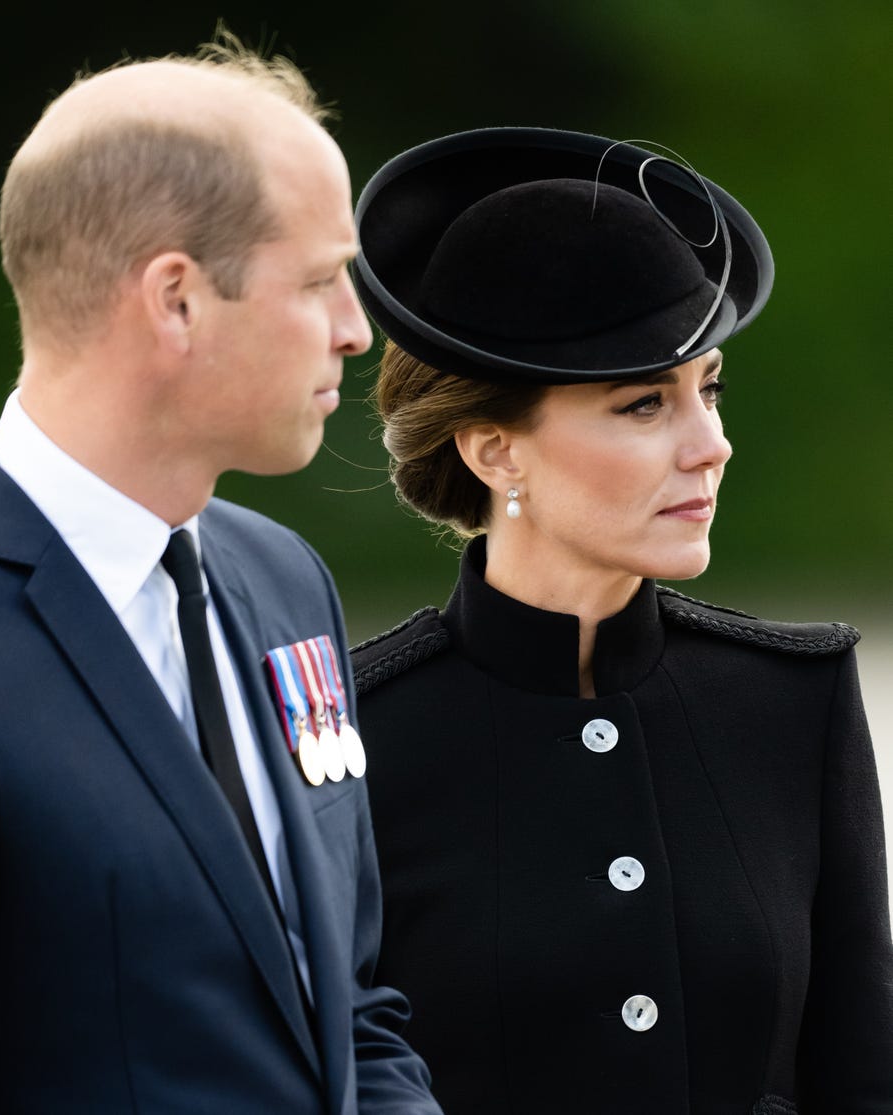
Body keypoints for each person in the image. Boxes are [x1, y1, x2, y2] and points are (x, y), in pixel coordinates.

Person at [0, 37, 443, 1115]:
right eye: (318, 278)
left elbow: (347, 1004)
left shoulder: (282, 576)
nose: (355, 329)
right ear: (176, 299)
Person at [350, 127, 893, 1114]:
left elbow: (858, 1073)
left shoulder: (791, 702)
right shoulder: (354, 741)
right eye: (643, 404)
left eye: (707, 389)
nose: (710, 445)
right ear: (491, 451)